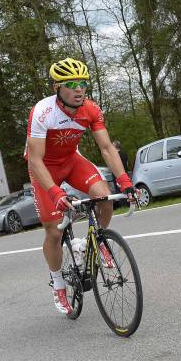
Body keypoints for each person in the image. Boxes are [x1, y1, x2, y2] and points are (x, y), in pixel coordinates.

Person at [25, 58, 135, 314]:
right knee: (53, 231)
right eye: (71, 84)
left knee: (104, 196)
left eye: (83, 83)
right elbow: (35, 159)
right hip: (44, 168)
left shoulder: (91, 110)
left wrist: (125, 182)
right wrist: (55, 192)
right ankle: (58, 282)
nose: (79, 89)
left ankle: (97, 242)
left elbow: (107, 148)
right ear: (56, 87)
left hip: (71, 161)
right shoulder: (43, 112)